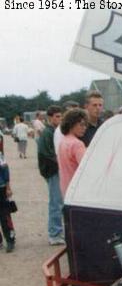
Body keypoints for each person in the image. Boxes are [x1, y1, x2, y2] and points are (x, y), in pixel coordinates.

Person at [37, 105, 65, 245]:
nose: (59, 119)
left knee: (59, 202)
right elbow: (46, 153)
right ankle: (54, 233)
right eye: (57, 117)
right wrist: (61, 162)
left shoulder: (55, 131)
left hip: (55, 170)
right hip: (52, 171)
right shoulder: (47, 133)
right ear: (50, 117)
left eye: (61, 116)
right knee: (56, 202)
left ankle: (58, 231)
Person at [58, 109, 89, 197]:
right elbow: (87, 168)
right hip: (77, 190)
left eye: (85, 125)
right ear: (71, 124)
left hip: (65, 187)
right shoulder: (77, 144)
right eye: (81, 125)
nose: (84, 128)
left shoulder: (63, 141)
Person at [0, 153, 16, 252]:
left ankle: (10, 240)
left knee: (5, 216)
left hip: (1, 188)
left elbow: (5, 170)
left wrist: (8, 187)